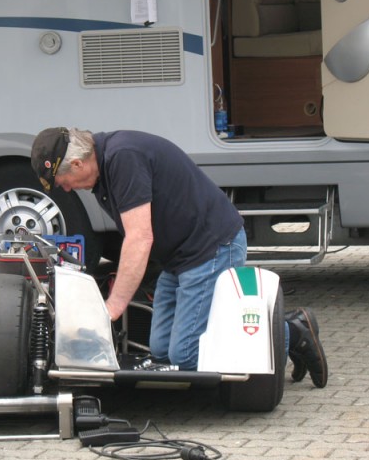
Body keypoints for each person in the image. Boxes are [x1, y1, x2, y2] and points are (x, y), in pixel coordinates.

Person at [30, 127, 328, 388]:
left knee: (184, 356)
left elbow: (140, 238)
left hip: (210, 248)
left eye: (63, 181)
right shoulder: (104, 168)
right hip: (178, 259)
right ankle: (287, 330)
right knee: (161, 352)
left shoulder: (123, 159)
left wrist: (113, 307)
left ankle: (292, 331)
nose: (66, 189)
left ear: (78, 163)